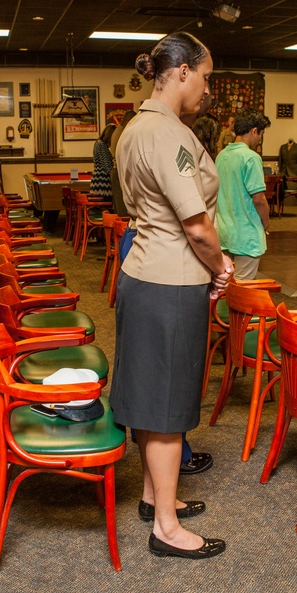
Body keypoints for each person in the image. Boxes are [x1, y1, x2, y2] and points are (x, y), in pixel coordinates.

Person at [112, 32, 231, 560]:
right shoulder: (169, 134)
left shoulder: (133, 127)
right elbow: (199, 227)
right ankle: (164, 527)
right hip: (172, 282)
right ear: (182, 72)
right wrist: (222, 266)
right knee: (166, 408)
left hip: (141, 273)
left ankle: (151, 496)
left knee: (149, 396)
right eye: (206, 75)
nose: (208, 87)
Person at [215, 108, 271, 280]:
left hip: (224, 232)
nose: (260, 138)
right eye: (261, 133)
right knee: (242, 290)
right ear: (254, 131)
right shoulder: (251, 157)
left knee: (225, 286)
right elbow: (259, 199)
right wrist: (265, 223)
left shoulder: (221, 156)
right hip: (246, 235)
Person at [91, 124, 116, 200]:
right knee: (106, 206)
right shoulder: (101, 145)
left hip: (98, 180)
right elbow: (107, 166)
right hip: (102, 181)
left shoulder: (98, 143)